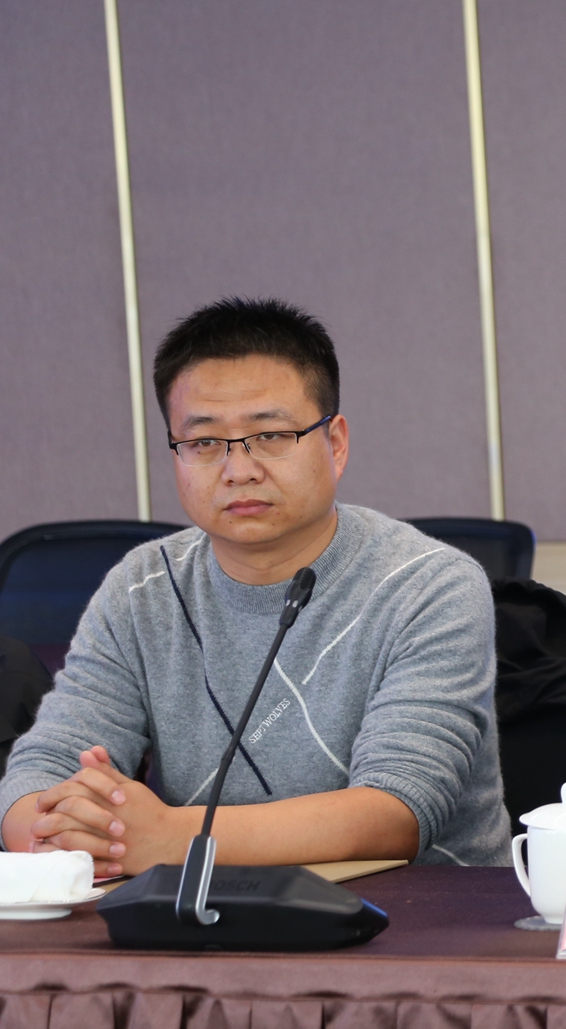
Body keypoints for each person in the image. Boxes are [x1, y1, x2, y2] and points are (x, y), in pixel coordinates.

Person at [0, 299, 510, 872]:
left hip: (418, 911)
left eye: (270, 435)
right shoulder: (140, 590)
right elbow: (40, 772)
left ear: (335, 443)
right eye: (203, 443)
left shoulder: (430, 585)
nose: (238, 470)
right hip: (199, 911)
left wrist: (174, 839)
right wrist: (53, 831)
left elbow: (397, 812)